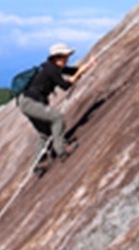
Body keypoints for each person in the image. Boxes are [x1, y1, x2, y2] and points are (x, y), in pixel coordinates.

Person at [17, 43, 97, 173]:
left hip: (26, 103)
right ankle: (62, 149)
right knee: (56, 118)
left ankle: (39, 164)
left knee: (46, 133)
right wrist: (79, 73)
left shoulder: (51, 67)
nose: (67, 58)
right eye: (66, 56)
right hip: (31, 103)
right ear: (58, 57)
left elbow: (72, 71)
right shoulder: (52, 69)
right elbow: (65, 85)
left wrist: (88, 65)